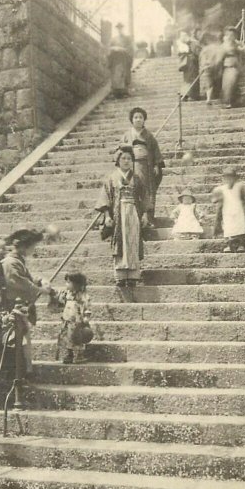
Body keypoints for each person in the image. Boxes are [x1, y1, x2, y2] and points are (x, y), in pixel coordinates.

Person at [95, 145, 149, 289]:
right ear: (118, 160)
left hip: (133, 213)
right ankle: (120, 276)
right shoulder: (111, 178)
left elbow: (144, 197)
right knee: (120, 243)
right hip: (118, 214)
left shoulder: (137, 178)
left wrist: (144, 214)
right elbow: (106, 197)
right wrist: (107, 216)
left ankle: (132, 276)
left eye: (129, 159)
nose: (126, 161)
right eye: (123, 158)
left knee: (132, 242)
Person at [2, 228, 51, 377]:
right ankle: (18, 376)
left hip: (22, 306)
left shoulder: (18, 260)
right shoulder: (10, 262)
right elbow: (20, 282)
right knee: (17, 342)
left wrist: (40, 280)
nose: (34, 249)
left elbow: (28, 277)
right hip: (13, 307)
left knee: (23, 340)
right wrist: (40, 290)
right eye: (33, 247)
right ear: (24, 246)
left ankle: (23, 373)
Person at [122, 107, 164, 226]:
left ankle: (149, 219)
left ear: (144, 119)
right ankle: (134, 219)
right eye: (136, 117)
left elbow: (155, 151)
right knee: (132, 191)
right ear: (132, 120)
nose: (138, 119)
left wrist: (156, 165)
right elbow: (120, 152)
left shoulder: (149, 136)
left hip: (146, 167)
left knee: (148, 192)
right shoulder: (126, 135)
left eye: (141, 117)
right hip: (131, 167)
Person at [49, 272, 93, 364]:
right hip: (67, 320)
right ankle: (69, 355)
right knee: (66, 338)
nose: (66, 284)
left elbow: (86, 307)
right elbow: (59, 300)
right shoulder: (67, 294)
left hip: (77, 321)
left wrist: (86, 317)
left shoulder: (82, 295)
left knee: (76, 338)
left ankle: (79, 355)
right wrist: (52, 293)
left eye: (69, 282)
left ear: (77, 284)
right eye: (66, 282)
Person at [212, 167, 245, 253]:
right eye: (226, 178)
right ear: (223, 179)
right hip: (227, 210)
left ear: (235, 178)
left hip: (238, 210)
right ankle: (229, 245)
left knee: (240, 226)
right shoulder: (221, 189)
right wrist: (217, 198)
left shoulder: (239, 187)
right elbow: (214, 200)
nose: (229, 180)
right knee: (228, 227)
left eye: (231, 177)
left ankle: (241, 244)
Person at [220, 26, 245, 109]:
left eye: (232, 34)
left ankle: (231, 102)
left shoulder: (237, 43)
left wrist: (240, 50)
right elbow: (220, 53)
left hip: (235, 65)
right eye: (228, 34)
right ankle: (230, 101)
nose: (230, 36)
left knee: (232, 83)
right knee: (227, 85)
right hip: (226, 65)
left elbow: (244, 49)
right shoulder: (224, 44)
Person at [108, 22, 133, 98]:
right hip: (116, 59)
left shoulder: (127, 38)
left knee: (124, 74)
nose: (119, 30)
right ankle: (116, 92)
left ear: (123, 29)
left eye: (121, 28)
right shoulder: (113, 39)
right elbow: (109, 48)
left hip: (124, 58)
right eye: (118, 28)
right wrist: (114, 49)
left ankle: (124, 91)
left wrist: (121, 49)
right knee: (116, 74)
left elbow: (130, 48)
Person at [177, 29, 201, 101]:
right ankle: (187, 94)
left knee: (191, 78)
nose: (183, 37)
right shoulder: (184, 44)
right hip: (188, 63)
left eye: (184, 35)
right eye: (182, 36)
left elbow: (197, 52)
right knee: (188, 78)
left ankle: (190, 95)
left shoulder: (192, 43)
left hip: (191, 62)